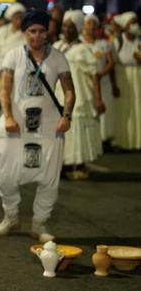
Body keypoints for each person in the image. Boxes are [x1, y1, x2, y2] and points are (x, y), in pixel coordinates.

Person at [0, 9, 75, 242]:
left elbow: (69, 91)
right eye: (32, 31)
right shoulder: (13, 56)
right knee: (5, 173)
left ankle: (40, 224)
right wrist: (8, 117)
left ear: (48, 32)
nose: (37, 36)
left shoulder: (58, 57)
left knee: (49, 177)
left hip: (49, 126)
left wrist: (66, 117)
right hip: (15, 125)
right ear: (24, 32)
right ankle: (11, 217)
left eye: (41, 31)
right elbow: (4, 90)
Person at [53, 10, 103, 180]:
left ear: (78, 28)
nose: (67, 29)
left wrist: (97, 98)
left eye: (71, 26)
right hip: (59, 94)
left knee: (77, 129)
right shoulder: (56, 47)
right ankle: (63, 164)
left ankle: (77, 163)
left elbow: (94, 74)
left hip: (79, 95)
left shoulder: (83, 49)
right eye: (65, 25)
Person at [80, 14, 116, 144]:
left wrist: (101, 74)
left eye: (94, 24)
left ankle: (103, 138)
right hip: (85, 82)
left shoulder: (104, 43)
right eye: (89, 23)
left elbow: (110, 62)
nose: (91, 26)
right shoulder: (79, 43)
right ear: (84, 26)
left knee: (104, 110)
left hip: (103, 81)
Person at [111, 11, 141, 150]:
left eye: (136, 22)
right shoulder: (118, 40)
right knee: (123, 109)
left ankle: (137, 141)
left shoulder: (139, 41)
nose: (135, 25)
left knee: (137, 108)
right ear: (125, 26)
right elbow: (113, 62)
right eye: (132, 22)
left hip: (137, 76)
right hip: (123, 76)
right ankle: (122, 140)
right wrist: (114, 85)